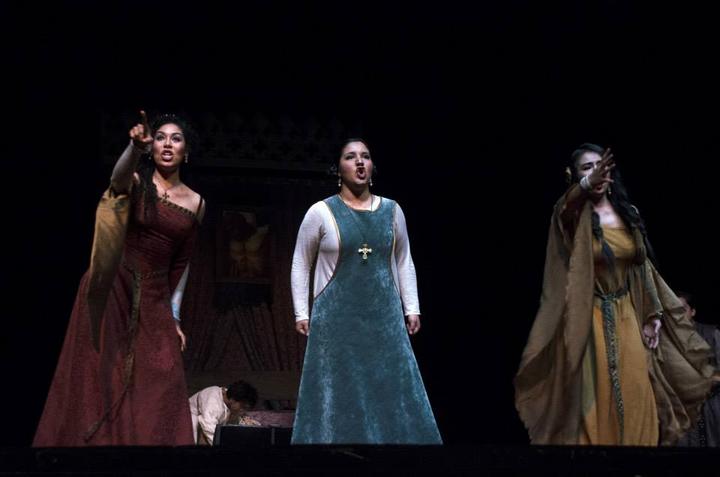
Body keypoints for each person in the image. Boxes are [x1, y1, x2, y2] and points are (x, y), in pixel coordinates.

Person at [514, 143, 714, 445]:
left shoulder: (628, 214)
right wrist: (585, 186)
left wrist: (652, 315)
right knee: (592, 395)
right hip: (587, 318)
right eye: (587, 168)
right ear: (576, 176)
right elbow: (564, 209)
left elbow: (641, 268)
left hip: (626, 316)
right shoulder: (572, 216)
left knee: (636, 389)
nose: (596, 172)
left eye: (600, 165)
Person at [34, 111, 205, 446]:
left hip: (154, 295)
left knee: (163, 372)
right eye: (160, 138)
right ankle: (97, 448)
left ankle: (149, 453)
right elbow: (117, 181)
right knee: (102, 372)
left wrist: (174, 316)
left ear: (186, 150)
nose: (167, 144)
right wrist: (133, 148)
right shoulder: (139, 182)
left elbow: (181, 264)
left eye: (176, 139)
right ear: (151, 147)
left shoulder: (197, 203)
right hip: (113, 285)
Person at [290, 138, 442, 444]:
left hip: (384, 320)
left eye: (366, 156)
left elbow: (404, 260)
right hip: (336, 321)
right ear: (338, 168)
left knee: (391, 388)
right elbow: (300, 263)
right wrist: (301, 313)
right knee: (338, 393)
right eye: (350, 157)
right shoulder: (320, 212)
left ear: (372, 167)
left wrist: (412, 307)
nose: (359, 162)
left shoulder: (392, 210)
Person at [676, 291, 720, 447]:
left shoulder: (711, 334)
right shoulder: (665, 338)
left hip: (711, 403)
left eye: (682, 309)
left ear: (692, 311)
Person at [189, 380, 261, 445]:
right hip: (190, 419)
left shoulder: (230, 401)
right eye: (243, 407)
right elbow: (208, 427)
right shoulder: (213, 402)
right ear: (232, 400)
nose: (242, 410)